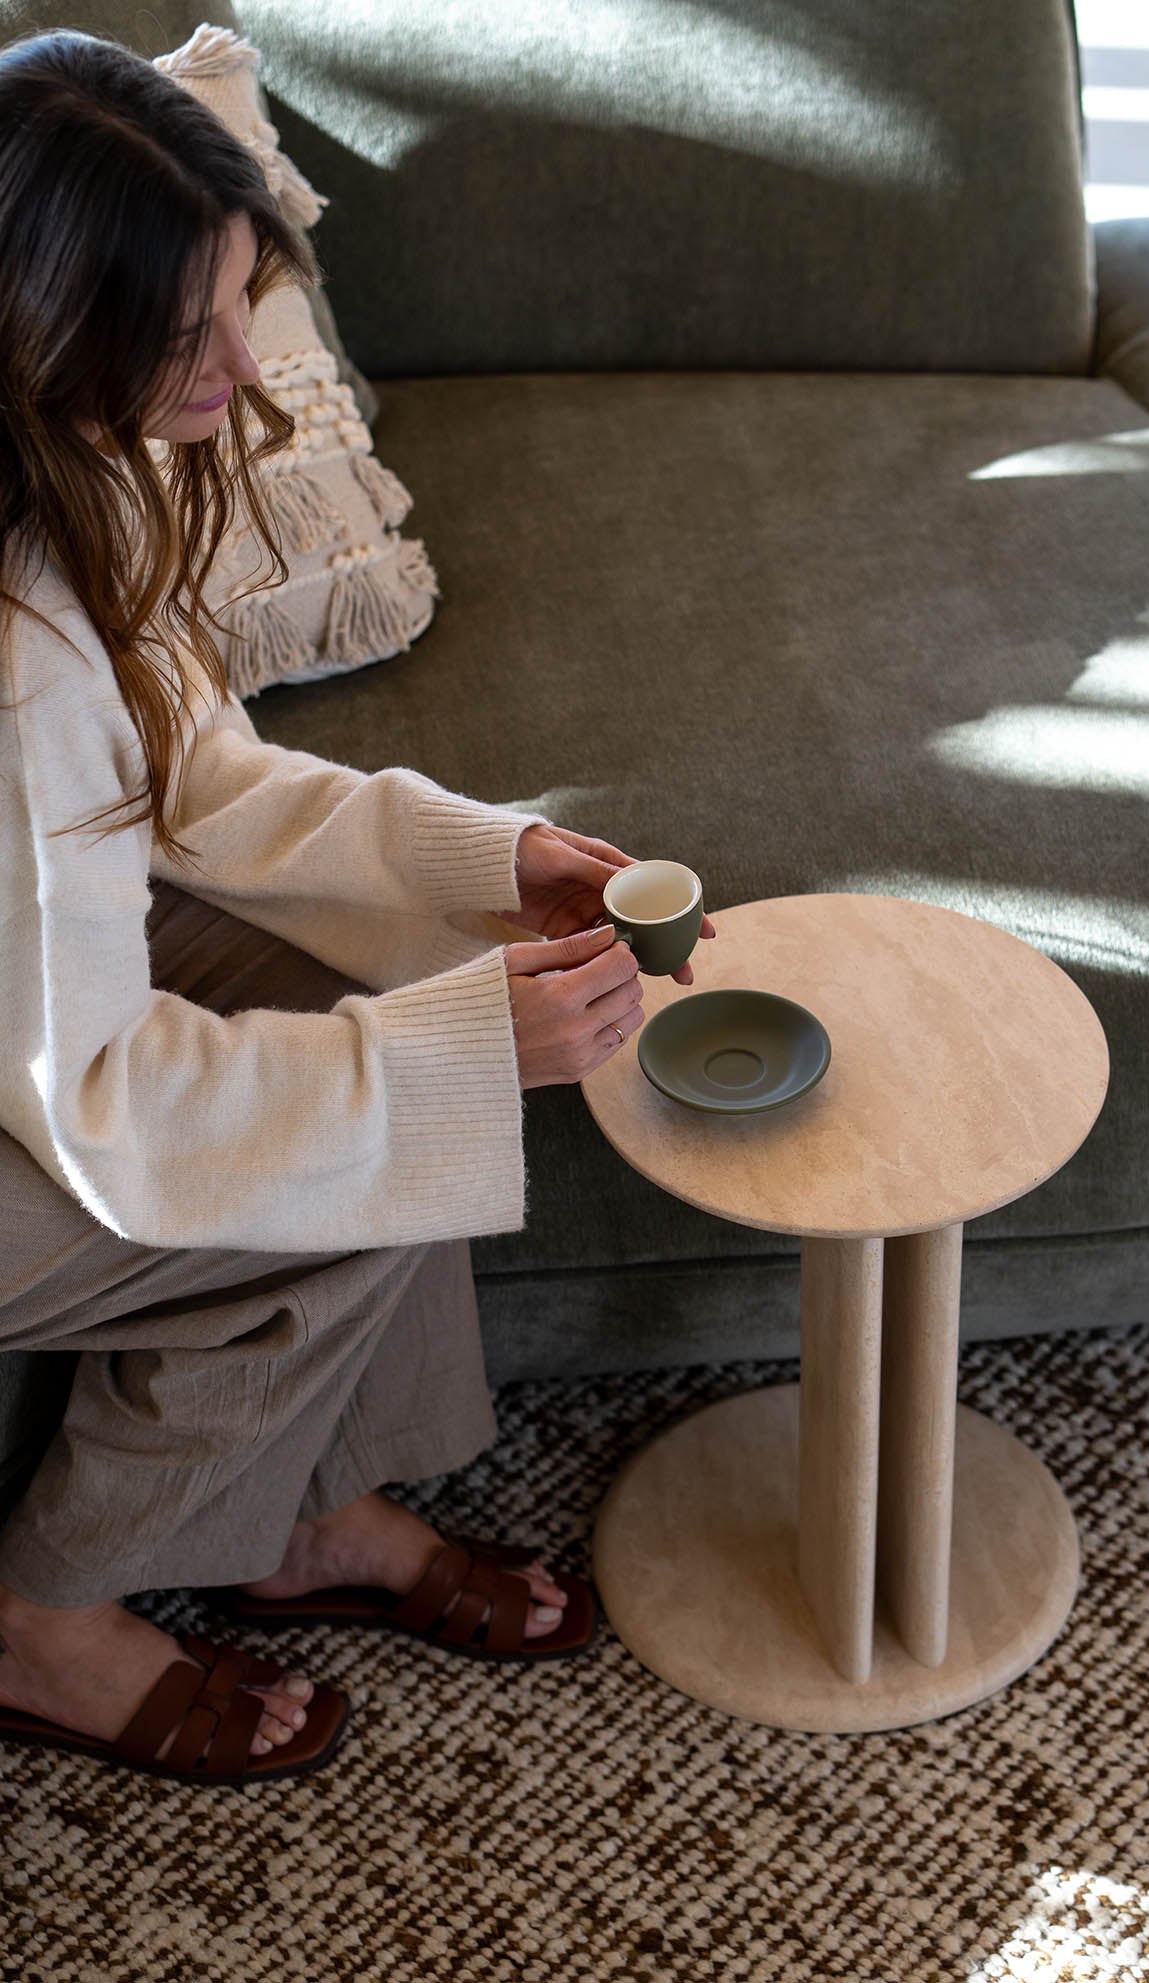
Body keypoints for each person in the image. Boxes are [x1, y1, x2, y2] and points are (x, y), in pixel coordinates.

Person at [0, 30, 713, 1787]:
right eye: (189, 337)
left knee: (405, 1006)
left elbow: (200, 781)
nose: (243, 375)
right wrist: (457, 1058)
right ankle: (43, 1619)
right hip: (39, 1067)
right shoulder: (5, 660)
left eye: (246, 302)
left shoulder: (66, 456)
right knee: (378, 1140)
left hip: (31, 998)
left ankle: (290, 1511)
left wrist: (490, 865)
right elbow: (92, 1101)